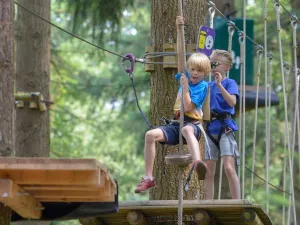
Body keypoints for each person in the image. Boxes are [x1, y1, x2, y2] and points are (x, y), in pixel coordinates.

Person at [134, 49, 211, 193]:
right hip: (176, 124)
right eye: (192, 69)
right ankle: (149, 178)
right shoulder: (185, 76)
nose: (194, 73)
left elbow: (188, 107)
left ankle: (197, 163)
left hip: (193, 125)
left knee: (186, 129)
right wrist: (178, 29)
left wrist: (185, 87)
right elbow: (181, 60)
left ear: (205, 72)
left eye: (199, 70)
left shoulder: (203, 86)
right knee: (150, 135)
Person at [204, 49, 241, 199]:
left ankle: (237, 201)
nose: (213, 66)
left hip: (225, 128)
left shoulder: (229, 83)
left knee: (228, 168)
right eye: (210, 63)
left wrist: (220, 85)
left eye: (216, 63)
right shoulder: (207, 85)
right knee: (208, 170)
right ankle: (208, 203)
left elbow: (232, 101)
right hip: (210, 128)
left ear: (226, 67)